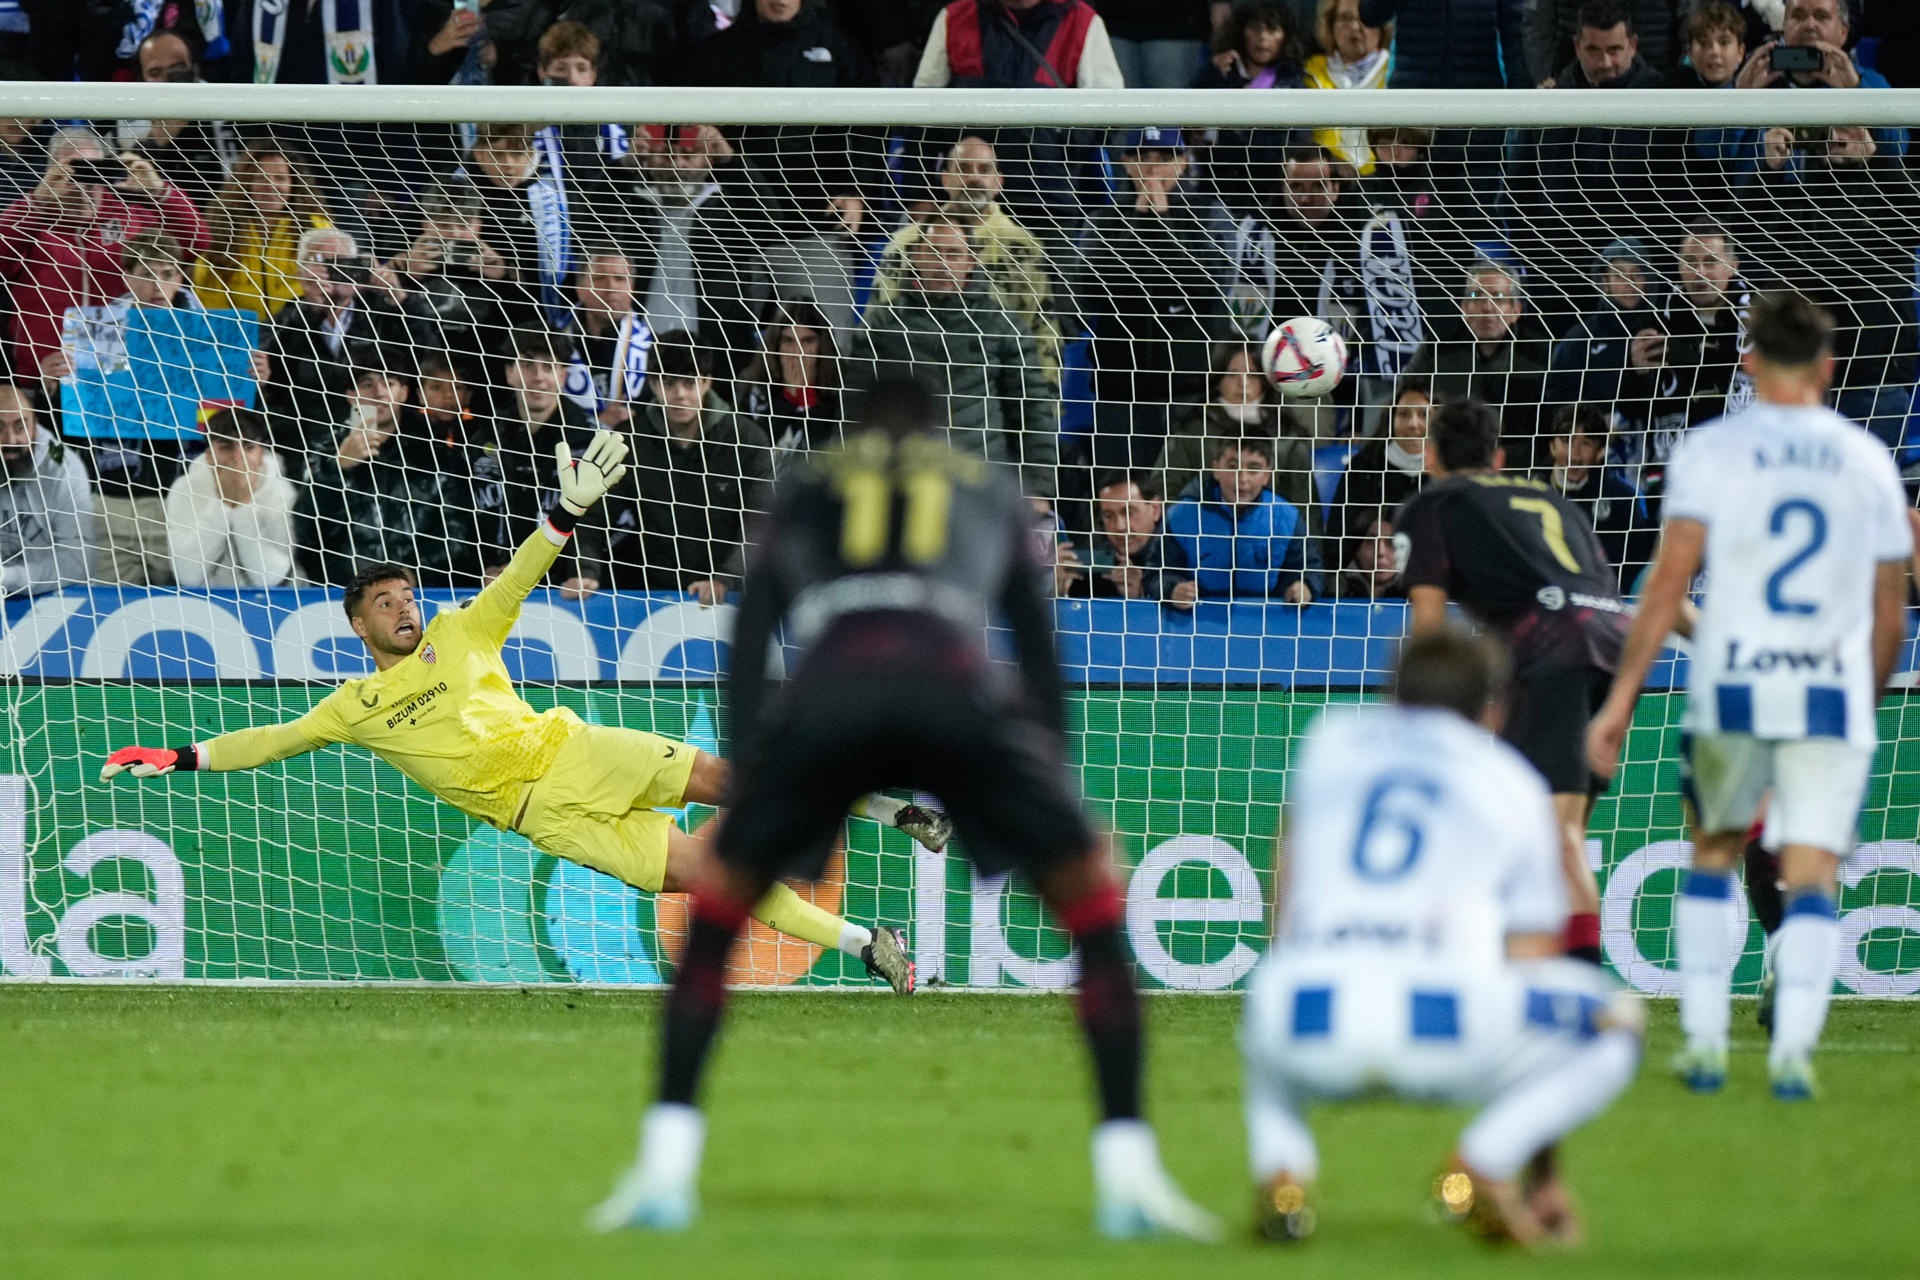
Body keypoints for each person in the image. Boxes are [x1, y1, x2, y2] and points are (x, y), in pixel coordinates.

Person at [587, 380, 1217, 1239]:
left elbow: (749, 626)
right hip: (953, 689)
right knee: (1095, 910)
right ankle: (1130, 1174)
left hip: (830, 694)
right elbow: (1035, 637)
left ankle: (662, 1170)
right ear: (935, 426)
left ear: (858, 425)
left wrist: (754, 767)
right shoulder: (982, 478)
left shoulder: (807, 478)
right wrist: (1056, 782)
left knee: (716, 919)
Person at [102, 432, 923, 1012]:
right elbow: (268, 742)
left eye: (406, 596)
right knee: (717, 881)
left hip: (573, 752)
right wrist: (179, 756)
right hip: (545, 817)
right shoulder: (352, 708)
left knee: (729, 782)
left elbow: (522, 576)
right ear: (358, 626)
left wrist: (564, 513)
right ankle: (869, 946)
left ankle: (894, 810)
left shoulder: (462, 628)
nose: (403, 609)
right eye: (384, 603)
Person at [1587, 292, 1911, 1100]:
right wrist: (1861, 699)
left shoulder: (1712, 449)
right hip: (1828, 692)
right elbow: (1890, 609)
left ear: (1748, 360)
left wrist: (1622, 697)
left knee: (1714, 853)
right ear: (1829, 366)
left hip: (1731, 678)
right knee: (1808, 872)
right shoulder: (1867, 459)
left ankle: (1702, 1042)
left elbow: (1667, 582)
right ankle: (1794, 1053)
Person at [1242, 629, 1642, 1247]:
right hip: (1444, 1029)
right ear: (1494, 707)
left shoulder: (1332, 740)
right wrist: (1548, 1171)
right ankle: (1482, 1164)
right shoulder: (1512, 782)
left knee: (1269, 1004)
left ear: (1390, 691)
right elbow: (1531, 956)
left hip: (1307, 1018)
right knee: (1615, 1020)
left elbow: (1290, 866)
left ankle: (1283, 1175)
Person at [1396, 398, 1632, 967]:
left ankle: (1579, 1001)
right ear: (1498, 459)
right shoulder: (1550, 499)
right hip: (1613, 644)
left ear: (1429, 457)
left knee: (1553, 839)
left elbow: (1430, 629)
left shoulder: (1431, 506)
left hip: (1550, 653)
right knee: (1549, 833)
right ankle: (1537, 972)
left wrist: (1419, 723)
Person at [853, 216, 1059, 500]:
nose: (942, 263)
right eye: (933, 251)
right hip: (900, 485)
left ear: (970, 262)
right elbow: (853, 405)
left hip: (982, 486)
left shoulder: (1002, 326)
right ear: (916, 258)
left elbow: (1032, 413)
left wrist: (1038, 490)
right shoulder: (882, 323)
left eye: (953, 253)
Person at [1063, 128, 1228, 473]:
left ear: (1183, 163)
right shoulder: (1103, 220)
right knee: (1121, 496)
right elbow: (1092, 292)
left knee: (1186, 493)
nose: (1153, 170)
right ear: (1125, 163)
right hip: (1119, 389)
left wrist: (1161, 223)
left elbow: (1206, 289)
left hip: (1191, 392)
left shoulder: (1211, 215)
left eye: (1164, 158)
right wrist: (1139, 223)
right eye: (1143, 158)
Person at [0, 126, 207, 389]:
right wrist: (38, 201)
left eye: (93, 171)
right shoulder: (31, 223)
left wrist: (159, 191)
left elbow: (196, 242)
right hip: (44, 379)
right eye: (75, 173)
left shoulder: (132, 218)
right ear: (52, 173)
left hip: (126, 380)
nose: (86, 187)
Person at [589, 333, 775, 604]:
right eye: (669, 382)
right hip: (654, 598)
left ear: (707, 382)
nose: (679, 394)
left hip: (735, 598)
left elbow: (761, 523)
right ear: (653, 384)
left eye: (690, 383)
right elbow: (594, 517)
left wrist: (725, 580)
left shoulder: (747, 439)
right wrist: (585, 571)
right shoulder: (629, 440)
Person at [297, 356, 495, 589]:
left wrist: (413, 571)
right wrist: (339, 468)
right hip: (339, 594)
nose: (379, 394)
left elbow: (458, 534)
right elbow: (306, 531)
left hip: (418, 592)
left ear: (403, 392)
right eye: (368, 385)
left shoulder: (437, 454)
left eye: (388, 384)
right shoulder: (325, 450)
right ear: (351, 394)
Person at [877, 137, 1061, 385]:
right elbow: (878, 329)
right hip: (915, 391)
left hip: (1000, 391)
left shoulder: (1024, 248)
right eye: (963, 169)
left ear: (998, 182)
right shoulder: (903, 245)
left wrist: (1045, 408)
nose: (974, 178)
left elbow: (1043, 331)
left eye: (984, 170)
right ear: (945, 179)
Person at [1405, 260, 1549, 453]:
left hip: (1519, 463)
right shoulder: (1436, 348)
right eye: (1476, 296)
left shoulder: (1542, 354)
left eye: (1498, 297)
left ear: (1516, 311)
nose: (1487, 307)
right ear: (1464, 308)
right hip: (1450, 457)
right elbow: (1404, 401)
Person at [1164, 435, 1319, 604]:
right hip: (1196, 621)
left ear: (1267, 474)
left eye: (1253, 469)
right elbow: (1157, 573)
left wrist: (1305, 586)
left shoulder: (1287, 518)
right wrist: (1171, 590)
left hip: (1268, 621)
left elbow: (1311, 569)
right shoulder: (1181, 515)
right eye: (1232, 467)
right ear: (1216, 468)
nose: (1242, 479)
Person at [1163, 343, 1315, 513]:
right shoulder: (1191, 433)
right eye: (1232, 374)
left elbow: (1306, 507)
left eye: (1252, 375)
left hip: (1271, 534)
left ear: (1265, 380)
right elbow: (1165, 491)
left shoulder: (1286, 436)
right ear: (1217, 379)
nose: (1243, 384)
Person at [192, 143, 333, 322]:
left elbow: (336, 293)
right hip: (243, 338)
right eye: (261, 178)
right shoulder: (221, 231)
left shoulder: (318, 230)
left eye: (280, 178)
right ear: (246, 183)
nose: (270, 185)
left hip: (305, 335)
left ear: (294, 184)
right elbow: (212, 303)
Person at [165, 405, 298, 589]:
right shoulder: (185, 489)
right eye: (226, 447)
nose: (238, 458)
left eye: (248, 447)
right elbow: (187, 575)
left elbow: (270, 578)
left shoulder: (281, 491)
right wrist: (223, 503)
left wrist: (242, 505)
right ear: (210, 455)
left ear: (260, 453)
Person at [1537, 404, 1652, 589]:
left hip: (1603, 603)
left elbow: (1635, 566)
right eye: (1567, 441)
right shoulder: (1530, 494)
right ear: (1552, 446)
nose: (1574, 454)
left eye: (1586, 443)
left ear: (1600, 452)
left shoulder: (1624, 499)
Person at [0, 382, 93, 597]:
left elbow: (78, 563)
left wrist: (8, 577)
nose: (11, 440)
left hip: (51, 601)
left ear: (34, 426)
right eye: (0, 428)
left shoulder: (63, 466)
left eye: (20, 426)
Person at [1329, 378, 1430, 550]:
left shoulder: (1454, 473)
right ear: (1391, 419)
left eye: (1424, 415)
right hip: (1369, 571)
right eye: (1404, 414)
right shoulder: (1363, 467)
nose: (1413, 424)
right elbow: (1337, 541)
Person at [1302, 0, 1393, 174]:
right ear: (1330, 26)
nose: (1354, 26)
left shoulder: (1395, 73)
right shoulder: (1308, 74)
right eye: (1345, 18)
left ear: (1382, 27)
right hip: (1325, 180)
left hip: (1385, 179)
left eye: (1364, 18)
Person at [1080, 470, 1190, 604]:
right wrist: (1058, 590)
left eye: (1128, 512)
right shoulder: (1094, 559)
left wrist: (1141, 596)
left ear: (1155, 509)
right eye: (1109, 516)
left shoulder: (1184, 557)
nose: (1119, 527)